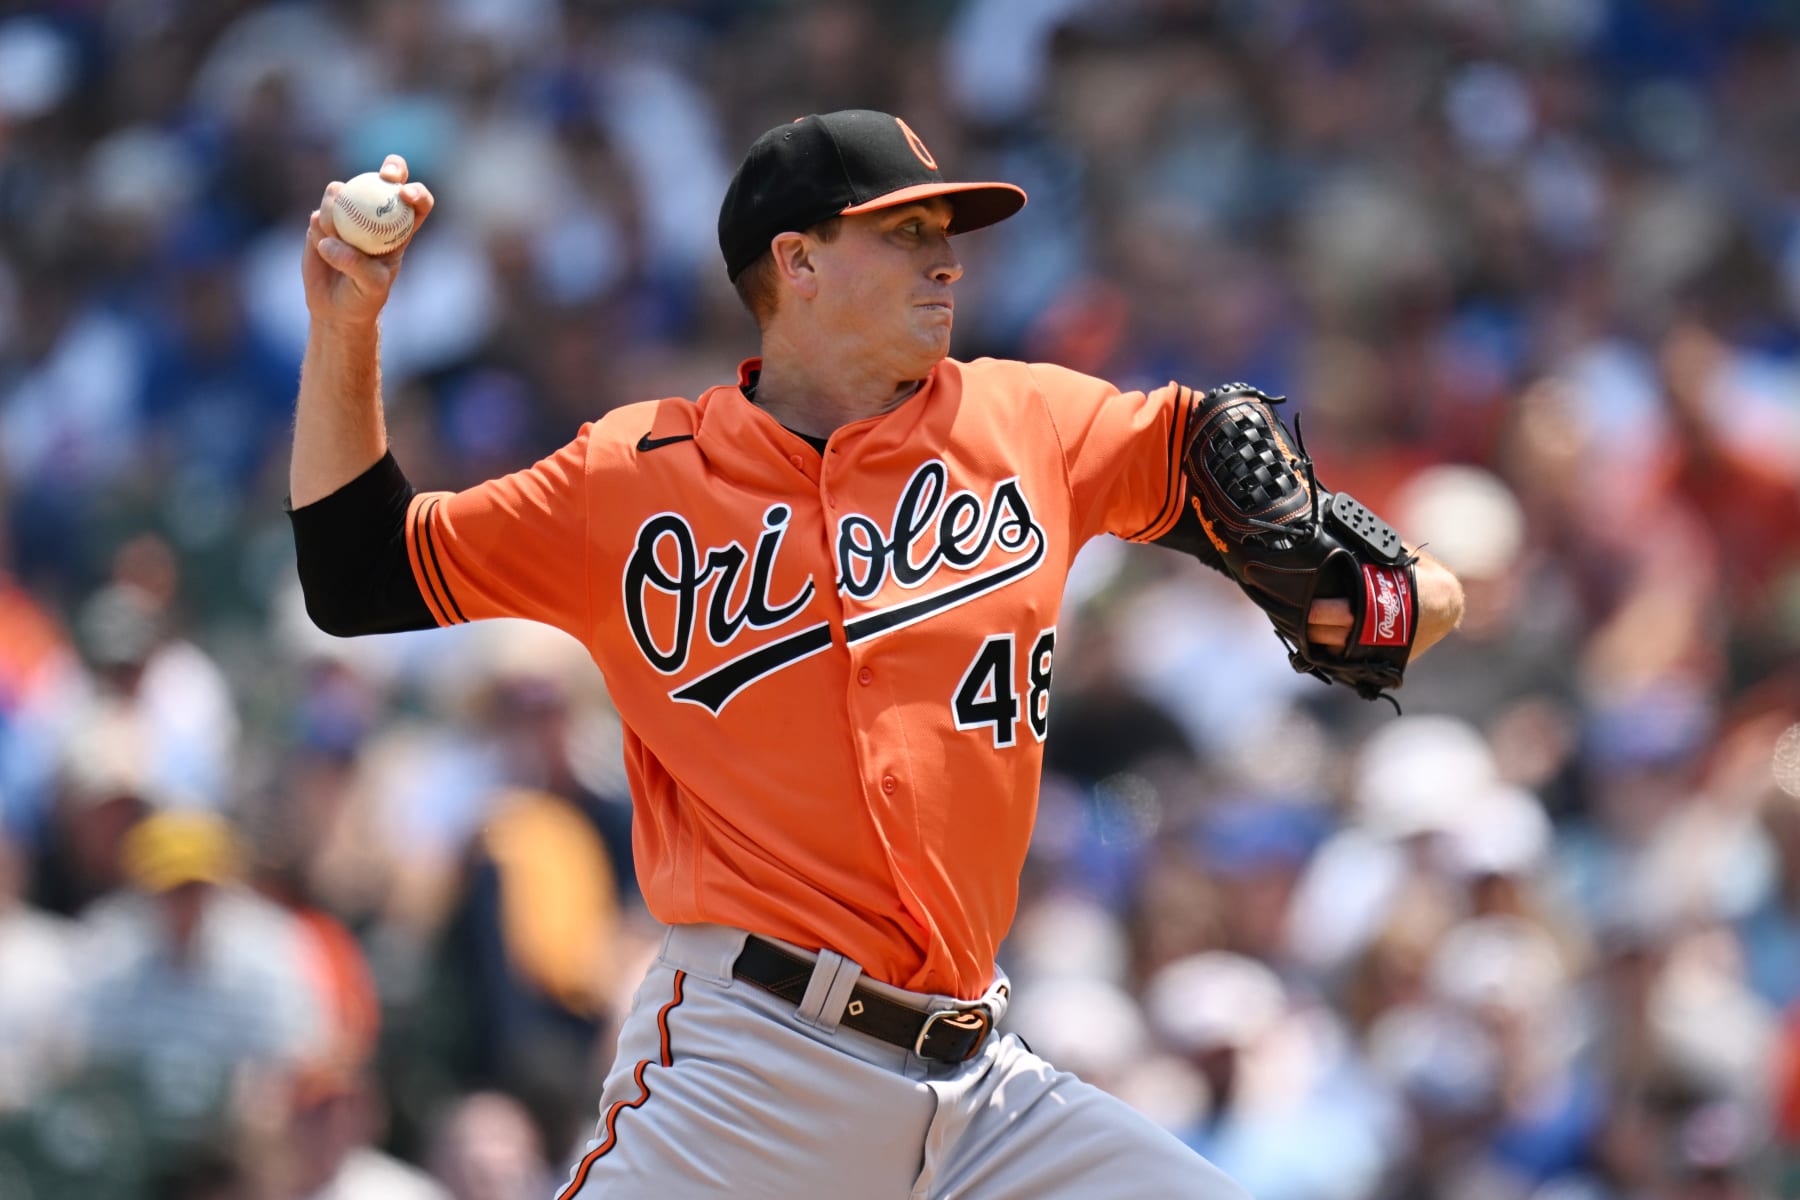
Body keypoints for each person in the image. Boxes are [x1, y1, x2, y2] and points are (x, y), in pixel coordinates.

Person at [289, 109, 1464, 1198]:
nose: (947, 259)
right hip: (752, 1074)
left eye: (946, 234)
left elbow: (1229, 472)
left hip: (987, 1091)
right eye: (906, 233)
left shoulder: (1028, 423)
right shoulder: (631, 479)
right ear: (794, 263)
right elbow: (359, 573)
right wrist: (348, 328)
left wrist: (1393, 591)